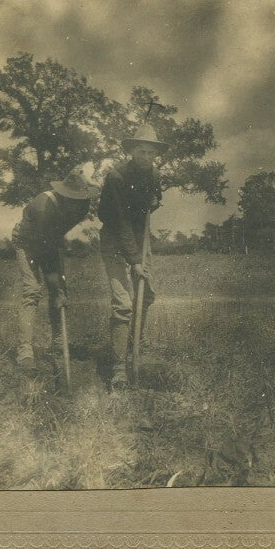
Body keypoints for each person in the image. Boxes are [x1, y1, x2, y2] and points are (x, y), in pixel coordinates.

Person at [98, 123, 166, 390]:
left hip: (139, 236)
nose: (146, 158)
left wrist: (154, 202)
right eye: (142, 152)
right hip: (115, 236)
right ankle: (118, 367)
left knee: (146, 294)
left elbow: (154, 199)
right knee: (124, 303)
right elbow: (121, 221)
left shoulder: (154, 174)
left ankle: (134, 344)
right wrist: (135, 261)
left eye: (151, 153)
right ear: (132, 151)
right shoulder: (116, 177)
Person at [12, 172, 95, 375]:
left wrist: (59, 289)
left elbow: (54, 239)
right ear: (63, 195)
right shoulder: (43, 208)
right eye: (72, 199)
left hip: (50, 240)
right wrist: (56, 287)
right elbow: (46, 254)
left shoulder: (83, 204)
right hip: (27, 241)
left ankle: (59, 343)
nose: (77, 204)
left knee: (60, 292)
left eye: (80, 199)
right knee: (33, 290)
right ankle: (25, 352)